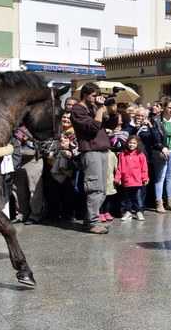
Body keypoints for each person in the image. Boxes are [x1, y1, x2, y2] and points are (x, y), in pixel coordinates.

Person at [69, 82, 117, 234]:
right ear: (85, 94)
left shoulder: (94, 108)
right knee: (94, 188)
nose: (97, 98)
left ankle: (89, 219)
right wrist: (101, 109)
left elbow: (110, 124)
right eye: (94, 95)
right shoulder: (77, 110)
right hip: (91, 153)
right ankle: (93, 223)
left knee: (102, 190)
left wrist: (112, 112)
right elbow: (93, 127)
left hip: (102, 152)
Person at [150, 99, 171, 213]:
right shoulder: (155, 120)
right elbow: (154, 137)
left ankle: (170, 202)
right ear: (163, 108)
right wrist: (162, 147)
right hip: (161, 152)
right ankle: (159, 203)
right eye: (169, 107)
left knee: (170, 178)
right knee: (160, 178)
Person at [115, 136, 149, 221]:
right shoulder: (122, 154)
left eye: (134, 143)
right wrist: (118, 178)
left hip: (137, 180)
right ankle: (128, 212)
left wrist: (145, 178)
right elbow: (120, 167)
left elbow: (144, 167)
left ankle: (139, 211)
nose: (132, 145)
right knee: (127, 198)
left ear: (138, 144)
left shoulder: (140, 154)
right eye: (130, 143)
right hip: (127, 180)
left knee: (138, 197)